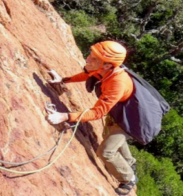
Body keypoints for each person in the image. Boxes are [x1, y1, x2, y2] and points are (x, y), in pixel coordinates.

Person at [46, 41, 137, 195]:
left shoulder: (118, 82)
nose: (88, 59)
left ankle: (128, 178)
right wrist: (63, 80)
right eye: (91, 55)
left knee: (106, 151)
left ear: (108, 65)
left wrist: (65, 116)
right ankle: (130, 162)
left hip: (130, 120)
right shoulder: (105, 69)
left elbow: (97, 113)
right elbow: (88, 74)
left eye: (94, 59)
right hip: (118, 112)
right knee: (108, 136)